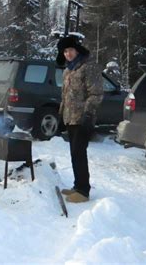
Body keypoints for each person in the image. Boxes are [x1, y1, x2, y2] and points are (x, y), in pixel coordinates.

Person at [56, 36, 103, 203]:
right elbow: (65, 96)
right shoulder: (68, 70)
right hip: (70, 118)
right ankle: (77, 186)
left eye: (70, 50)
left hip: (83, 118)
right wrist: (61, 116)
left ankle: (83, 191)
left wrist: (88, 114)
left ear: (77, 50)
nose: (67, 54)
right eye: (65, 51)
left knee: (79, 152)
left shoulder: (88, 67)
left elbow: (96, 93)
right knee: (74, 153)